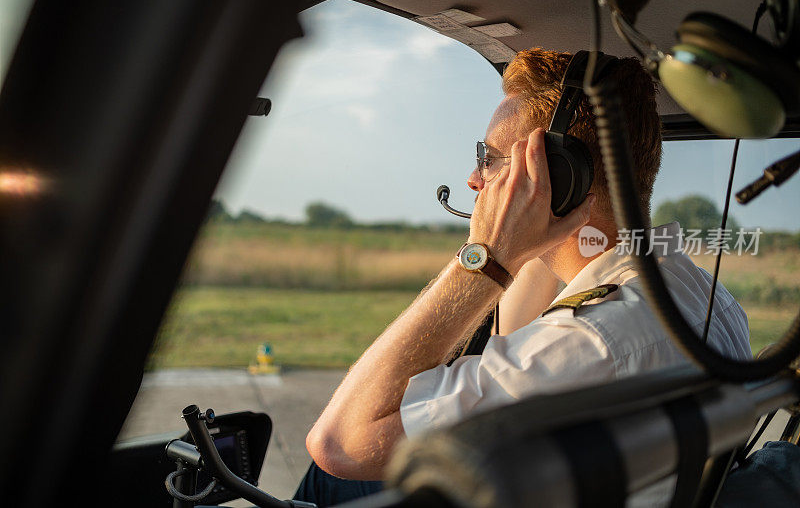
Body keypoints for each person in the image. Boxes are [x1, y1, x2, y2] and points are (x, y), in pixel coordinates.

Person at [294, 48, 752, 506]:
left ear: (561, 176)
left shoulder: (590, 341)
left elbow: (340, 444)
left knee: (327, 481)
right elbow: (512, 336)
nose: (475, 178)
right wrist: (525, 243)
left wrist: (485, 254)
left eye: (489, 158)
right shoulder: (701, 292)